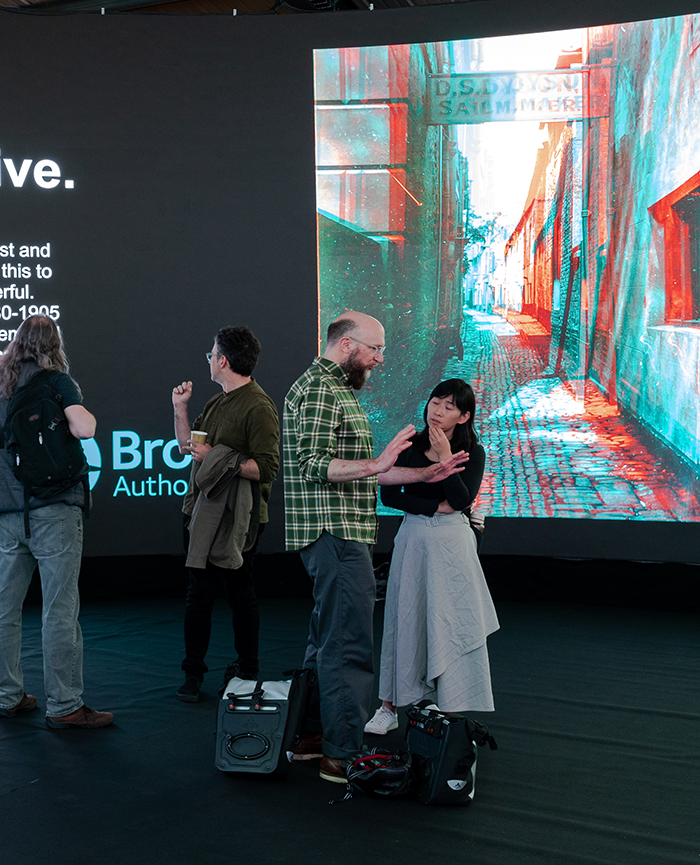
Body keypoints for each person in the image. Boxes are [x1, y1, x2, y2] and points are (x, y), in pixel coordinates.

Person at [281, 311, 467, 783]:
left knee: (327, 638)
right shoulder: (323, 388)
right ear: (346, 346)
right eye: (375, 349)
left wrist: (424, 474)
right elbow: (314, 464)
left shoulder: (333, 388)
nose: (380, 359)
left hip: (336, 533)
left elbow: (372, 470)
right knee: (348, 644)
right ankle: (342, 753)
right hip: (336, 533)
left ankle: (311, 738)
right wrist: (380, 460)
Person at [0, 315, 114, 731]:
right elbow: (85, 428)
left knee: (4, 609)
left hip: (5, 513)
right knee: (60, 609)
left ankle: (7, 697)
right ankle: (64, 705)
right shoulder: (56, 380)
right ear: (55, 344)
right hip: (53, 507)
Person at [367, 379, 498, 733]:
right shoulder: (411, 445)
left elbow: (460, 501)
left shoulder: (474, 451)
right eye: (435, 402)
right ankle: (388, 707)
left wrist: (444, 460)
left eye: (449, 407)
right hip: (412, 537)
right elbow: (391, 496)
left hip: (453, 544)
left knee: (451, 620)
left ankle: (450, 706)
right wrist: (431, 507)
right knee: (402, 617)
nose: (437, 411)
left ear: (464, 416)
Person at [170, 326, 279, 702]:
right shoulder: (218, 402)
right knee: (198, 596)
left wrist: (218, 456)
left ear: (224, 361)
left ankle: (248, 670)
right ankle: (192, 675)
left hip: (239, 519)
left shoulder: (258, 406)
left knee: (240, 594)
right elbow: (189, 448)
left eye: (211, 353)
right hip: (200, 512)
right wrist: (180, 408)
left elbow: (266, 468)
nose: (209, 358)